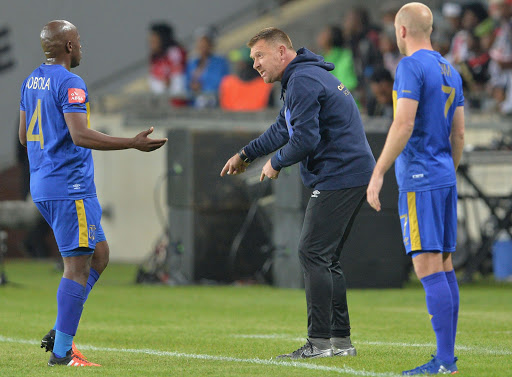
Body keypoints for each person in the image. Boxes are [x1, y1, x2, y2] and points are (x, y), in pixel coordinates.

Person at [220, 27, 375, 359]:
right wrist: (245, 155)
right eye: (252, 58)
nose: (255, 65)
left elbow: (305, 140)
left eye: (259, 56)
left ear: (281, 52)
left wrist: (275, 162)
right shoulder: (303, 77)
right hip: (350, 173)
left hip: (341, 174)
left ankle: (318, 343)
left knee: (312, 252)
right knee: (325, 258)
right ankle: (339, 343)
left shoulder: (302, 80)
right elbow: (282, 128)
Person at [19, 20, 167, 367]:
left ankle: (60, 331)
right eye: (78, 41)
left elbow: (25, 137)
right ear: (69, 46)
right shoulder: (71, 82)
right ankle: (62, 353)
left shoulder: (30, 80)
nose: (81, 46)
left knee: (98, 256)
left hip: (44, 184)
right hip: (69, 187)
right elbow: (80, 135)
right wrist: (131, 143)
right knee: (77, 268)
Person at [366, 3, 465, 375]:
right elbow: (459, 133)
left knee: (427, 266)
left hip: (420, 177)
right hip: (443, 175)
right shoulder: (449, 69)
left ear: (402, 31)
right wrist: (448, 171)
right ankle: (447, 357)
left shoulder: (409, 66)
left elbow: (403, 124)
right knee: (443, 264)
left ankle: (443, 361)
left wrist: (378, 172)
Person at [186, 28, 230, 108]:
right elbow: (187, 82)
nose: (202, 46)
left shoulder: (220, 62)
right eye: (200, 43)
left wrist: (201, 86)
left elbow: (221, 82)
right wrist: (191, 86)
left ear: (211, 45)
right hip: (194, 104)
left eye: (205, 43)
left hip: (213, 102)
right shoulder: (192, 63)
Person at [148, 22, 187, 107]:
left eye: (154, 39)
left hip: (175, 105)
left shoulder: (174, 53)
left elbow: (178, 81)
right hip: (161, 102)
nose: (151, 41)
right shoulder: (156, 58)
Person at [316, 25, 358, 91]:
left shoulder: (345, 56)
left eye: (324, 34)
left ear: (332, 38)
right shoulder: (322, 58)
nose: (320, 36)